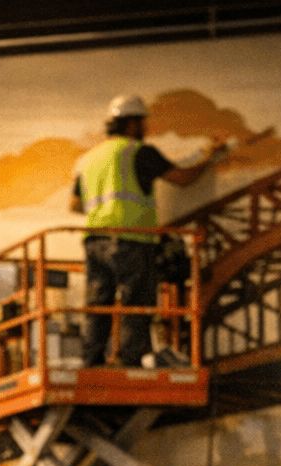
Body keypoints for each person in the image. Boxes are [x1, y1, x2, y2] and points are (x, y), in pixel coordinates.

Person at [71, 93, 224, 367]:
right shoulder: (138, 152)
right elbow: (183, 178)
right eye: (143, 122)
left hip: (94, 241)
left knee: (97, 303)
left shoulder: (88, 159)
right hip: (131, 239)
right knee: (136, 301)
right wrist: (209, 157)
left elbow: (75, 205)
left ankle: (91, 361)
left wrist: (105, 211)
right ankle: (129, 361)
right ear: (132, 123)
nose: (146, 127)